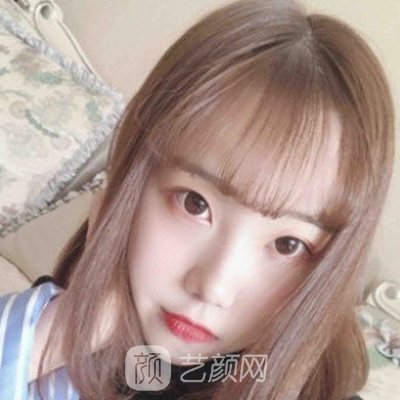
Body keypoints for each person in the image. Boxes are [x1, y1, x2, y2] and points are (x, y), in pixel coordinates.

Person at [0, 0, 395, 399]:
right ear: (128, 187)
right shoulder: (56, 329)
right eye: (194, 204)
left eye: (288, 244)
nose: (213, 288)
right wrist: (59, 334)